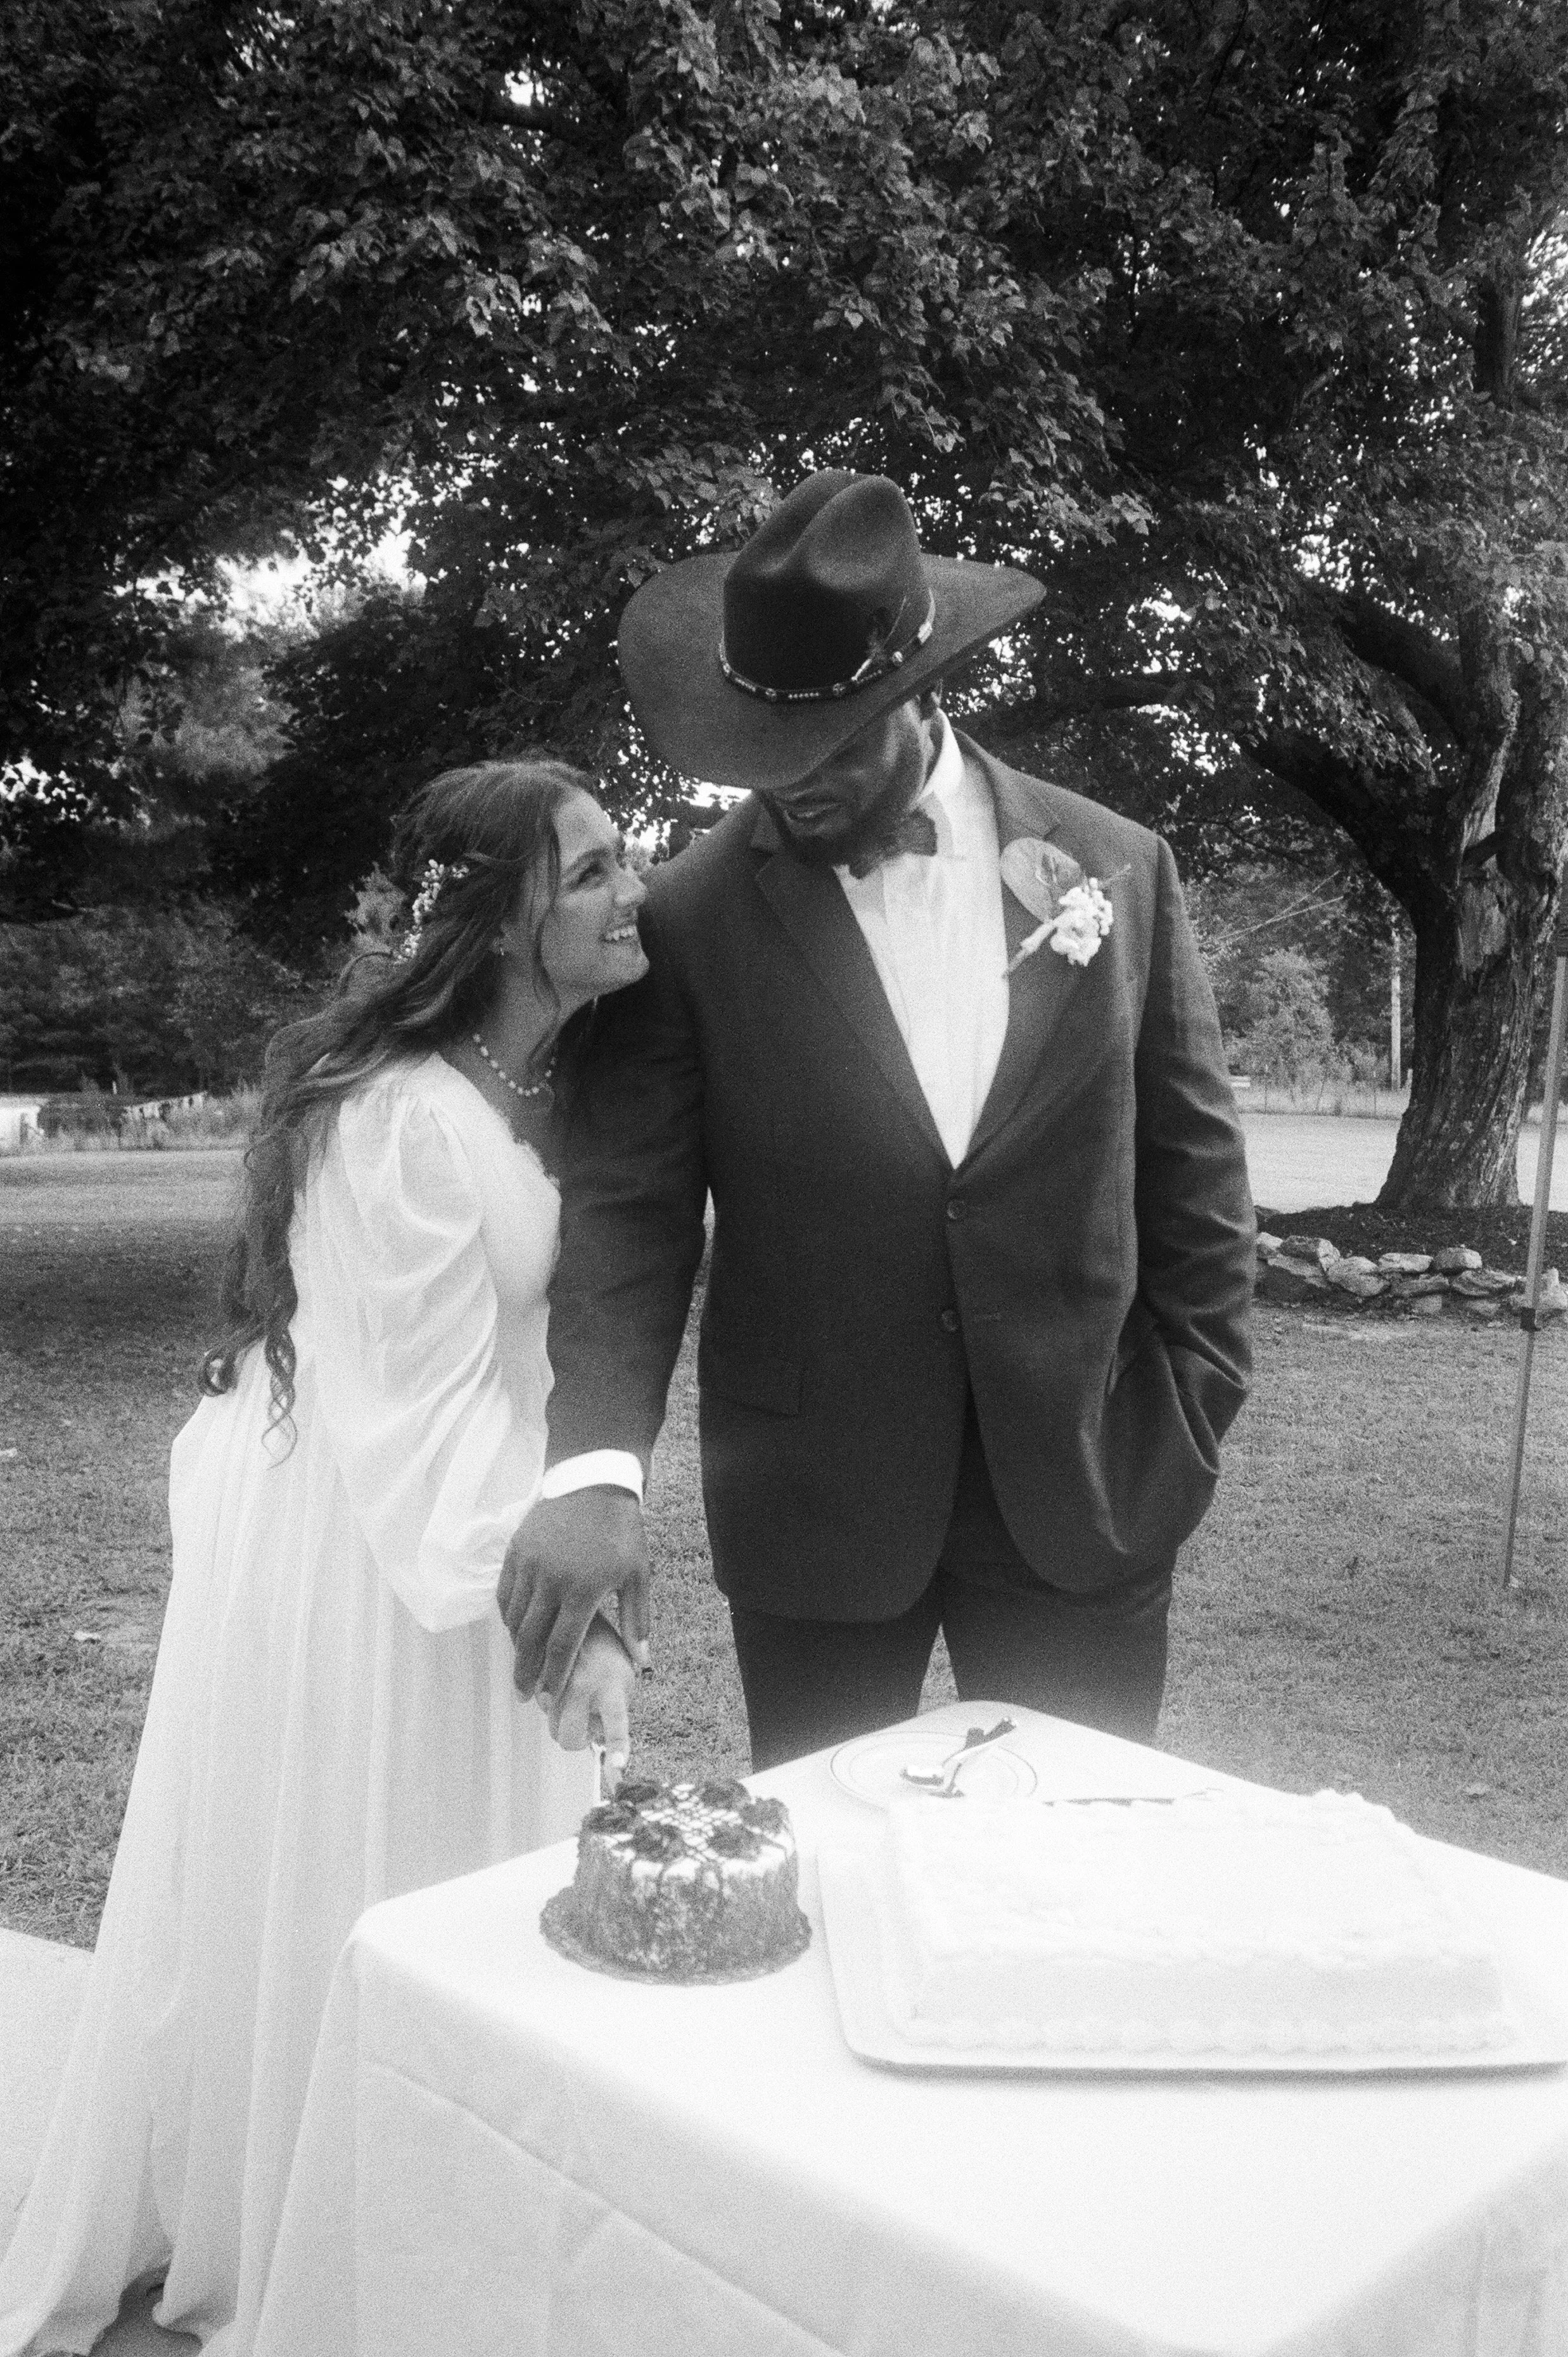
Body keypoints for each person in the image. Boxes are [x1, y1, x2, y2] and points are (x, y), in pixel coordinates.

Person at [0, 760, 646, 2357]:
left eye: (622, 858)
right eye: (590, 871)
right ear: (495, 919)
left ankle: (450, 2189)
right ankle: (317, 2208)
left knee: (464, 1870)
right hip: (363, 1536)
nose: (633, 890)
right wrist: (566, 1610)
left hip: (472, 1508)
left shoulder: (555, 1076)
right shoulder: (395, 1116)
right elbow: (412, 1408)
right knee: (364, 1857)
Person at [500, 469, 1255, 1771]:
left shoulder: (1119, 868)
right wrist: (594, 1469)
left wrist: (1188, 1406)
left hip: (1089, 1490)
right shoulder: (688, 918)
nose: (787, 785)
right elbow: (629, 1215)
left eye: (827, 746)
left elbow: (1193, 1172)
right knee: (835, 1865)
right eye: (759, 751)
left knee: (1074, 1864)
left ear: (922, 696)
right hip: (813, 1511)